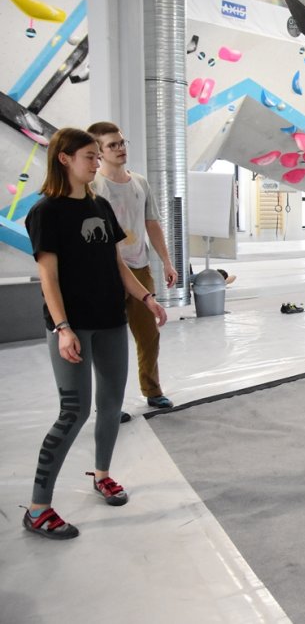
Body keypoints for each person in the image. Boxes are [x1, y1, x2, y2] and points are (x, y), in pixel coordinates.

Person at [22, 127, 168, 540]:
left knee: (110, 406)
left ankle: (102, 474)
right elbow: (47, 277)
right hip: (73, 326)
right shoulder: (46, 212)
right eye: (89, 156)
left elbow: (118, 264)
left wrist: (147, 299)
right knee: (73, 413)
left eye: (96, 156)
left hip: (110, 321)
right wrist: (63, 328)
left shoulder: (100, 205)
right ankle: (38, 508)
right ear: (65, 159)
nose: (96, 162)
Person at [88, 121, 176, 412]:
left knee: (149, 335)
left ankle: (153, 390)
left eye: (122, 142)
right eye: (112, 144)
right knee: (109, 343)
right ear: (99, 152)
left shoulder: (140, 182)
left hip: (139, 267)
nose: (120, 148)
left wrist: (166, 261)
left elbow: (152, 223)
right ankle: (108, 403)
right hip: (105, 273)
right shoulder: (93, 187)